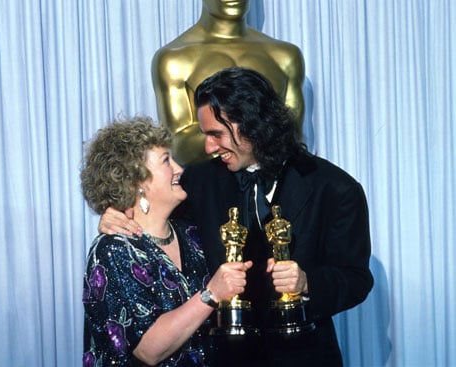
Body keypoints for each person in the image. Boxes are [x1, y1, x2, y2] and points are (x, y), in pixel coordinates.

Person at [99, 68, 374, 366]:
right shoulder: (200, 181)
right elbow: (153, 210)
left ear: (253, 124)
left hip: (304, 355)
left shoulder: (336, 188)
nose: (208, 147)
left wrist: (308, 282)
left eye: (216, 134)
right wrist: (115, 213)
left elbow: (356, 279)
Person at [81, 116, 252, 367]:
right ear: (135, 182)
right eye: (166, 161)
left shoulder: (192, 234)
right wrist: (211, 294)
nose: (179, 169)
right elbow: (148, 350)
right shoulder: (112, 251)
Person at [152, 0, 306, 166]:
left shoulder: (285, 56)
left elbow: (292, 133)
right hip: (211, 185)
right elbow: (179, 144)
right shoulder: (174, 60)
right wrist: (255, 130)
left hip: (276, 182)